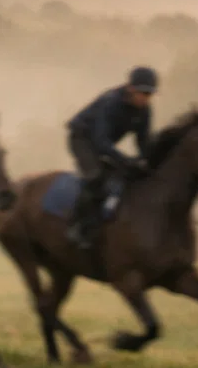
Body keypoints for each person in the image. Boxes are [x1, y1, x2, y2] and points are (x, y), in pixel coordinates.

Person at [66, 65, 159, 249]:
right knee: (95, 176)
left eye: (149, 95)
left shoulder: (145, 110)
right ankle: (76, 227)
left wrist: (149, 162)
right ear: (130, 88)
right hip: (81, 139)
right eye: (142, 93)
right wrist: (127, 160)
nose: (146, 99)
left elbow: (144, 143)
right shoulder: (112, 103)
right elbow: (100, 142)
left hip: (102, 143)